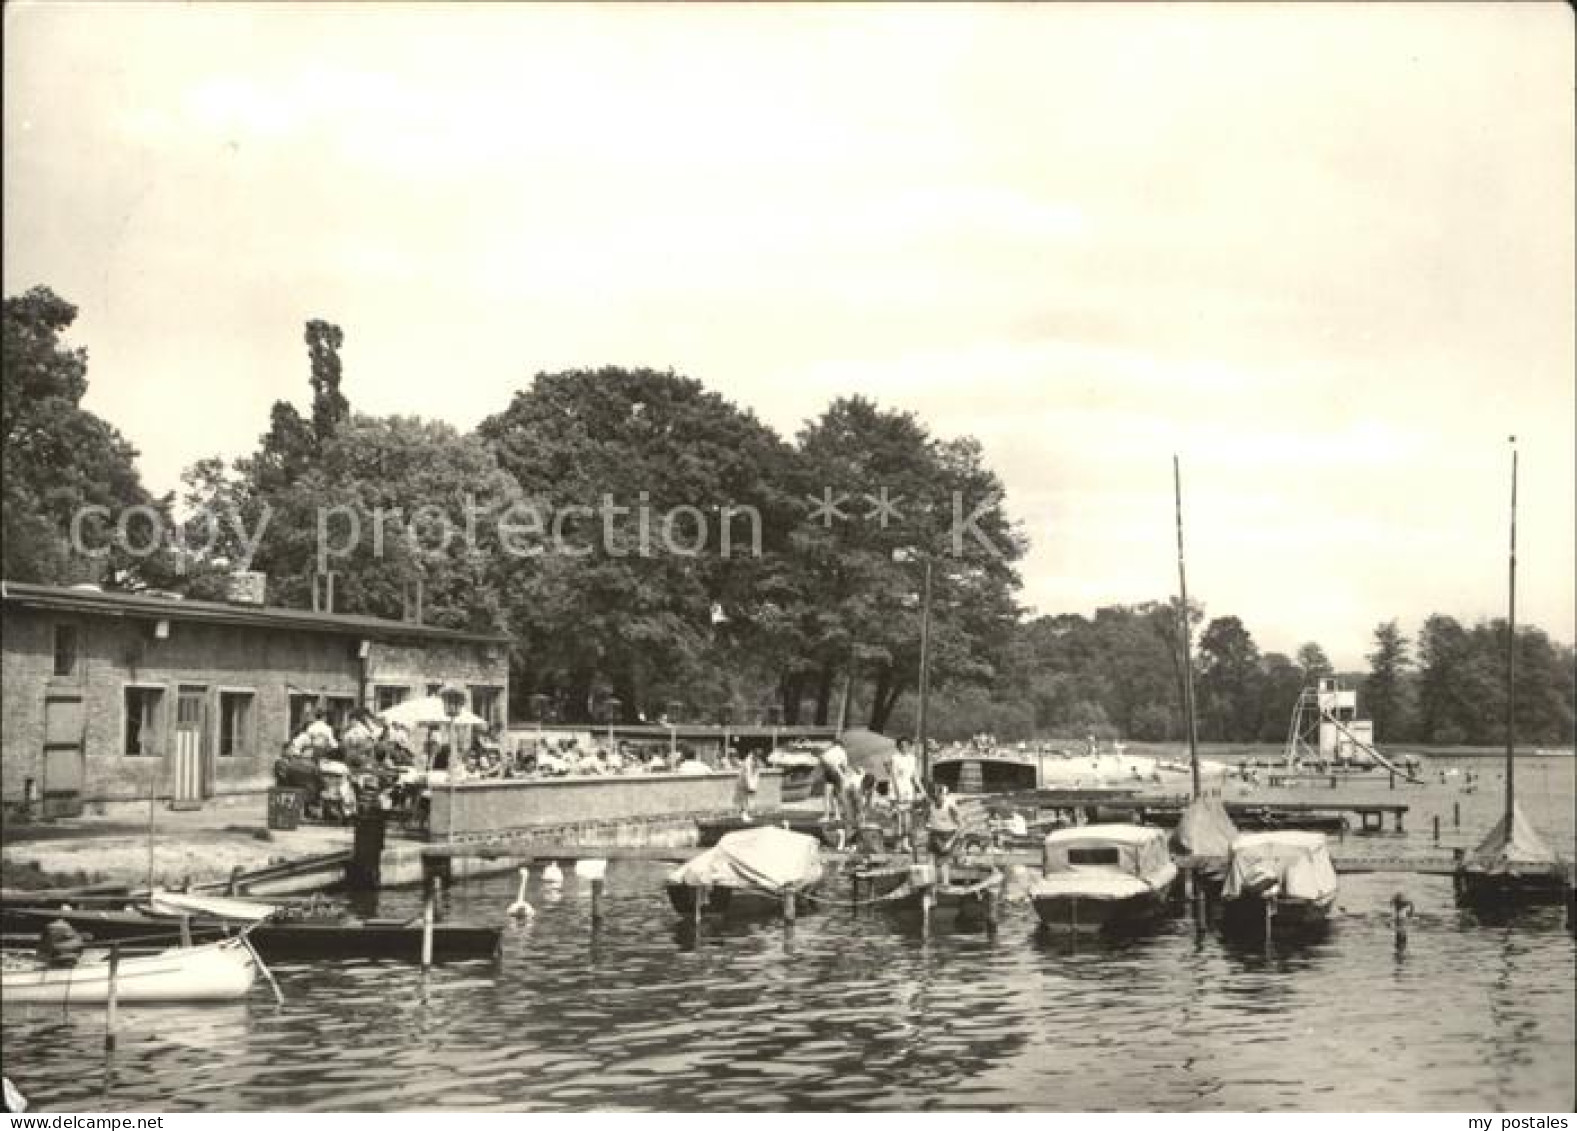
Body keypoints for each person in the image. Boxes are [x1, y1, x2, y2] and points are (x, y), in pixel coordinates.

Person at [887, 737, 922, 852]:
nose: (904, 748)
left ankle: (905, 844)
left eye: (907, 745)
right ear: (898, 747)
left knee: (907, 819)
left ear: (910, 746)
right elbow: (893, 777)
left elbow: (915, 776)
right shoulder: (894, 758)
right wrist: (897, 793)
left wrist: (921, 790)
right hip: (896, 791)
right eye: (901, 745)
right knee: (897, 819)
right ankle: (897, 844)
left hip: (908, 791)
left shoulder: (912, 759)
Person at [738, 750, 761, 819]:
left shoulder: (755, 761)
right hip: (746, 782)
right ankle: (744, 814)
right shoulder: (748, 761)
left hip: (751, 782)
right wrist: (749, 784)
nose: (757, 758)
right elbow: (747, 774)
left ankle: (747, 813)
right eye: (757, 756)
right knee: (745, 799)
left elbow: (756, 772)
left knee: (750, 799)